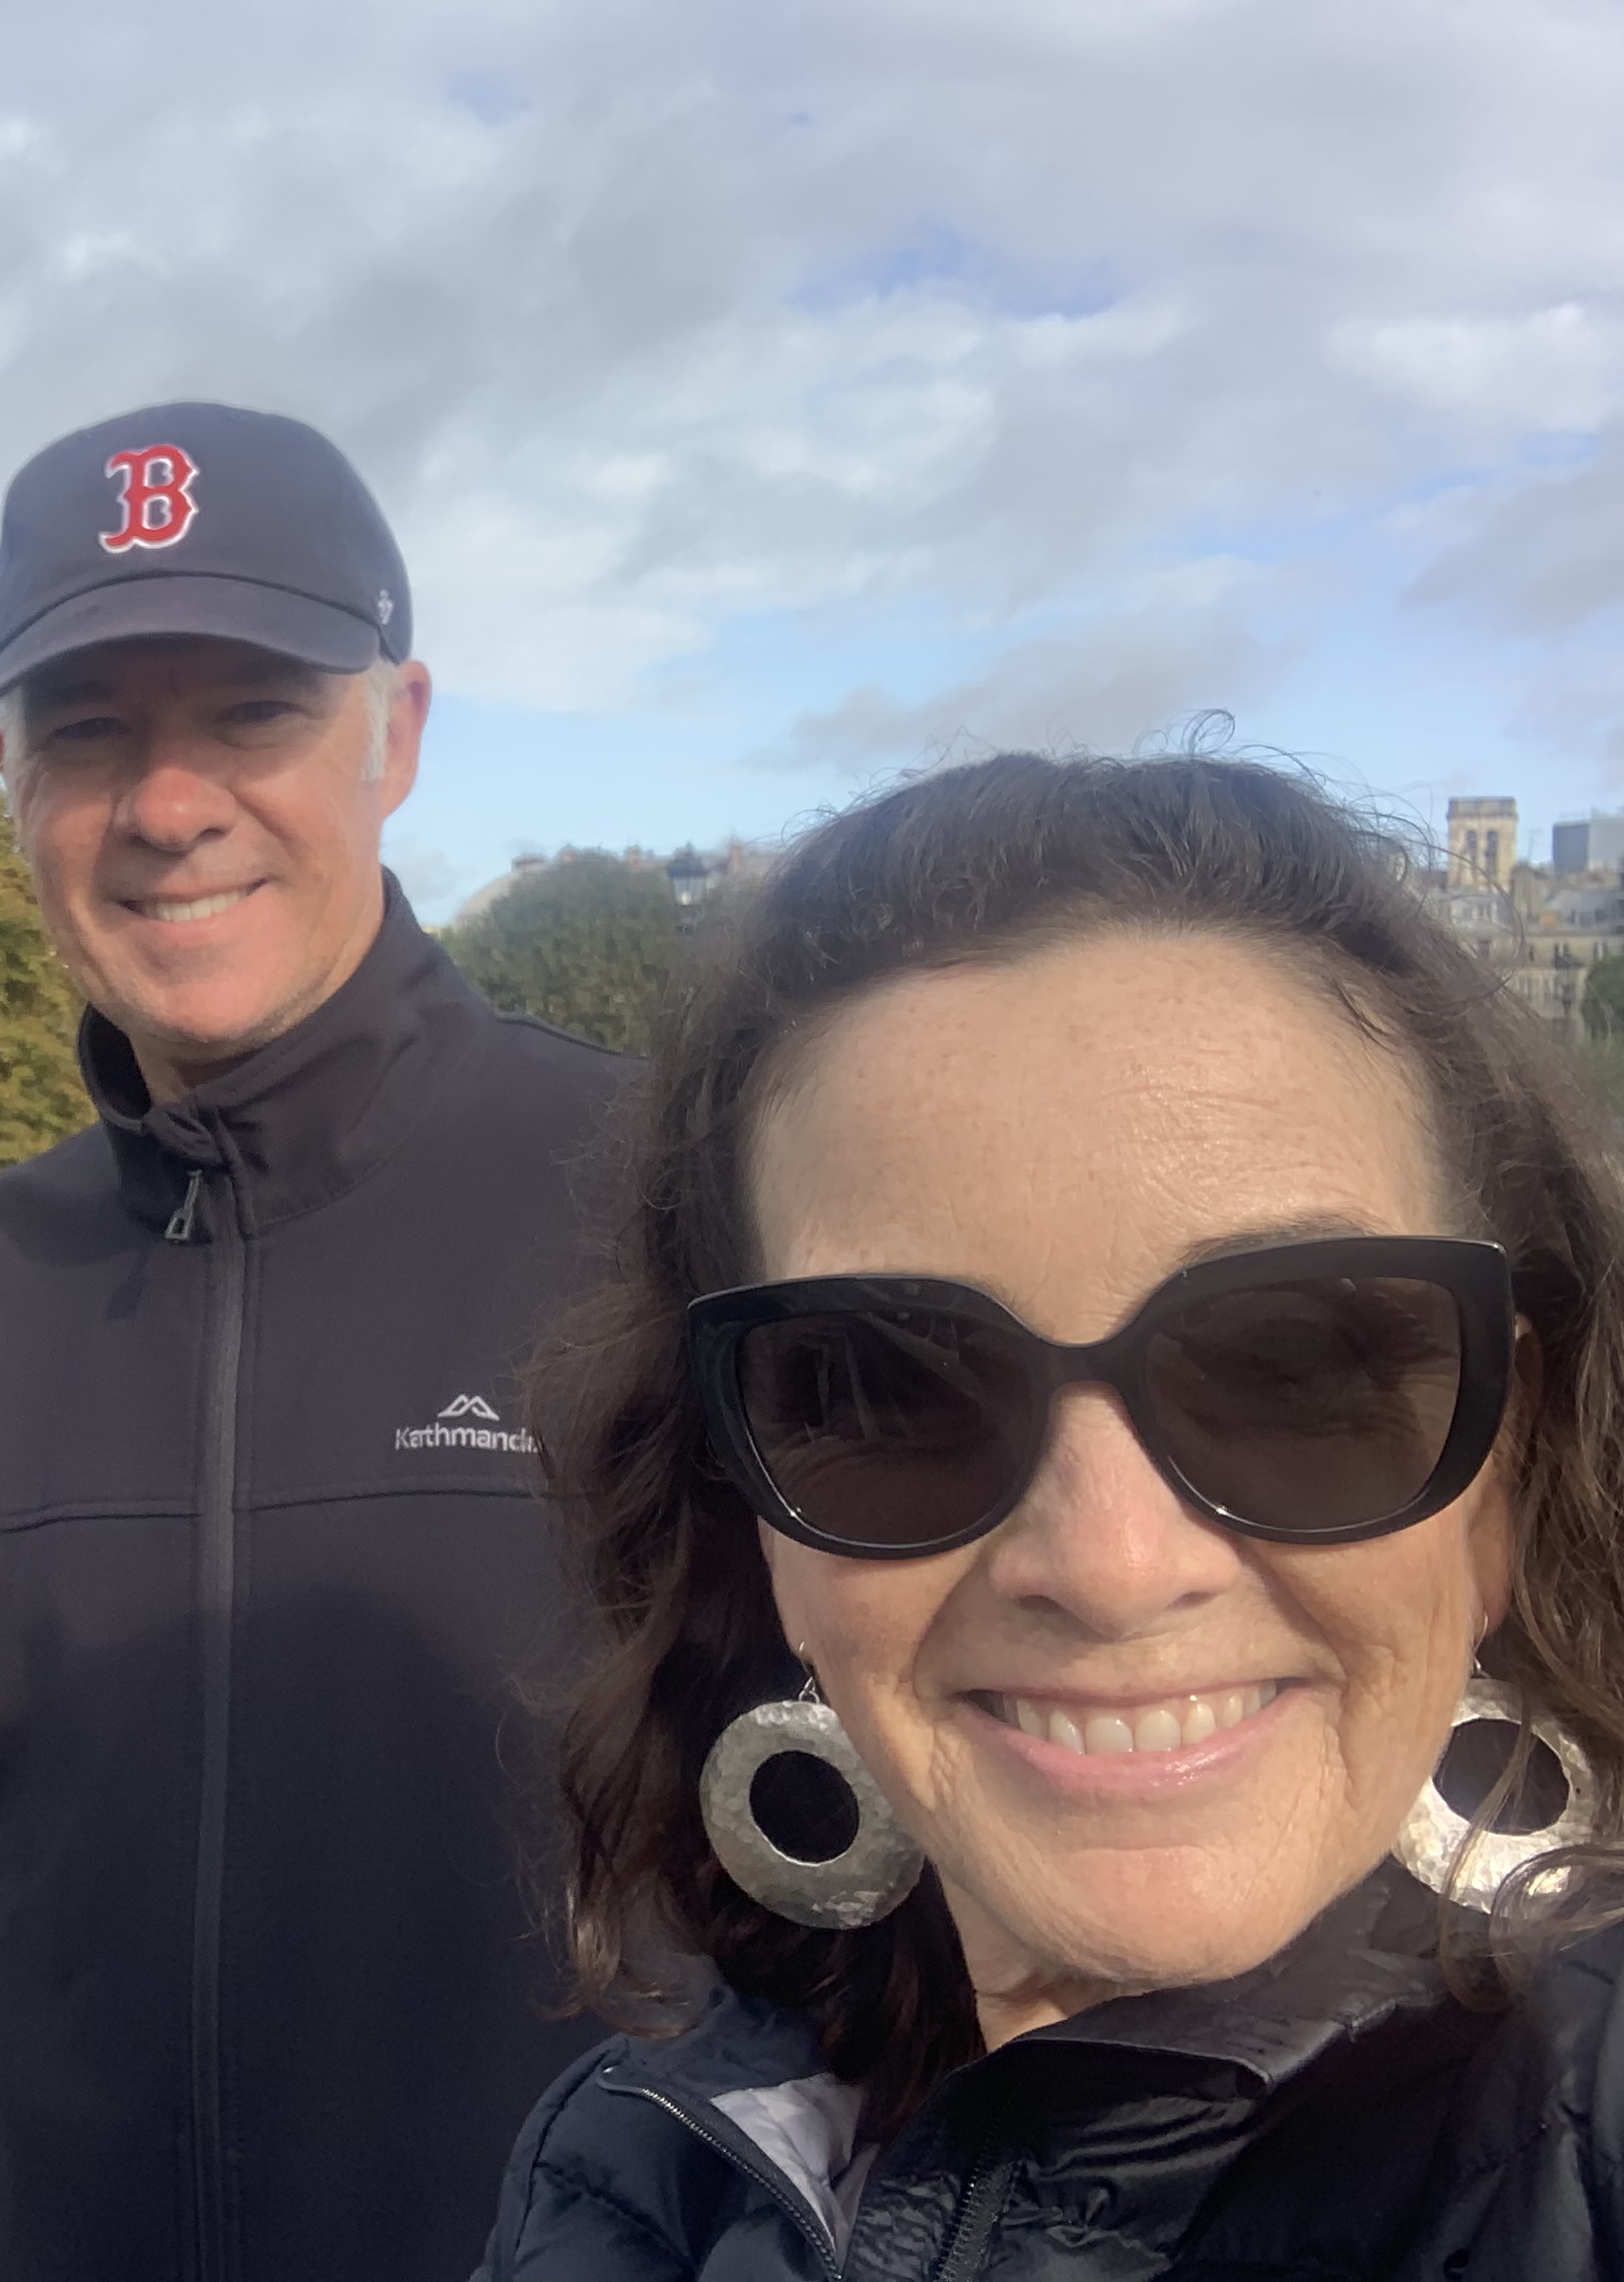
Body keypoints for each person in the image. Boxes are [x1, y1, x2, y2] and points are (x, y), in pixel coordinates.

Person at [483, 753, 1624, 2279]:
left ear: (1499, 1474)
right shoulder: (631, 2180)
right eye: (890, 1391)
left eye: (1300, 1370)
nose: (1111, 1563)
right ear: (751, 1513)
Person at [0, 402, 629, 2281]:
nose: (168, 806)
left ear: (397, 736)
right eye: (86, 731)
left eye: (252, 712)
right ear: (10, 780)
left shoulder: (665, 1219)